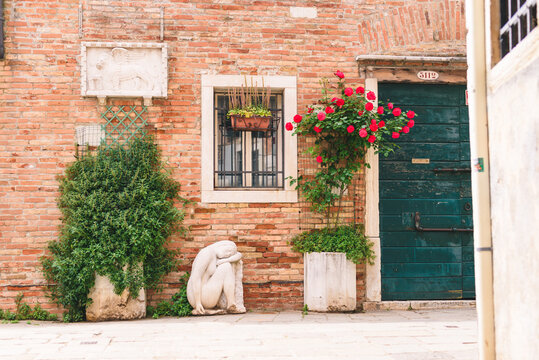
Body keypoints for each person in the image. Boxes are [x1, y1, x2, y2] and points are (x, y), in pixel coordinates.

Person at [187, 240, 244, 315]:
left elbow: (239, 255)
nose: (228, 254)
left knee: (226, 265)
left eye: (230, 254)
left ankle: (230, 305)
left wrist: (226, 260)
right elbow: (196, 278)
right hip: (198, 297)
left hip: (204, 294)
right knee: (226, 267)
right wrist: (198, 303)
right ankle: (231, 304)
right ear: (222, 245)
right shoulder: (206, 253)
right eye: (228, 250)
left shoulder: (214, 254)